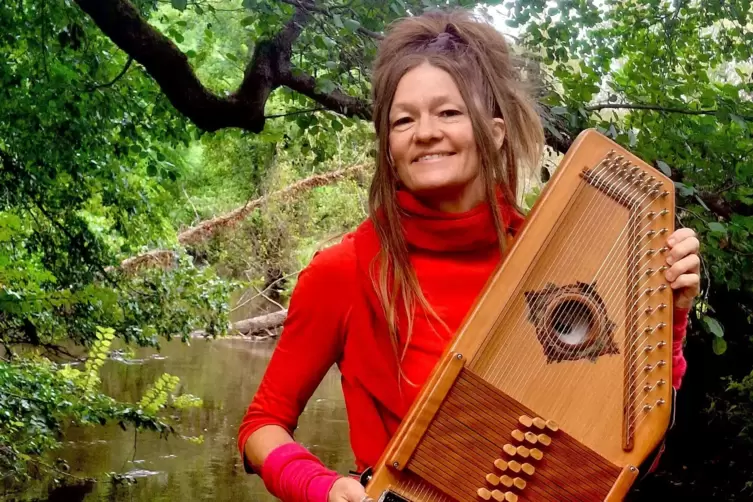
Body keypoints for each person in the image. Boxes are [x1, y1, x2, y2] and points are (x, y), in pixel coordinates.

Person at [238, 9, 701, 502]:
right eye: (403, 120)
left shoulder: (558, 268)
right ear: (388, 146)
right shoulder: (346, 271)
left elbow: (629, 460)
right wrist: (323, 488)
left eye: (449, 112)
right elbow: (260, 427)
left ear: (495, 131)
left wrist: (669, 322)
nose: (425, 132)